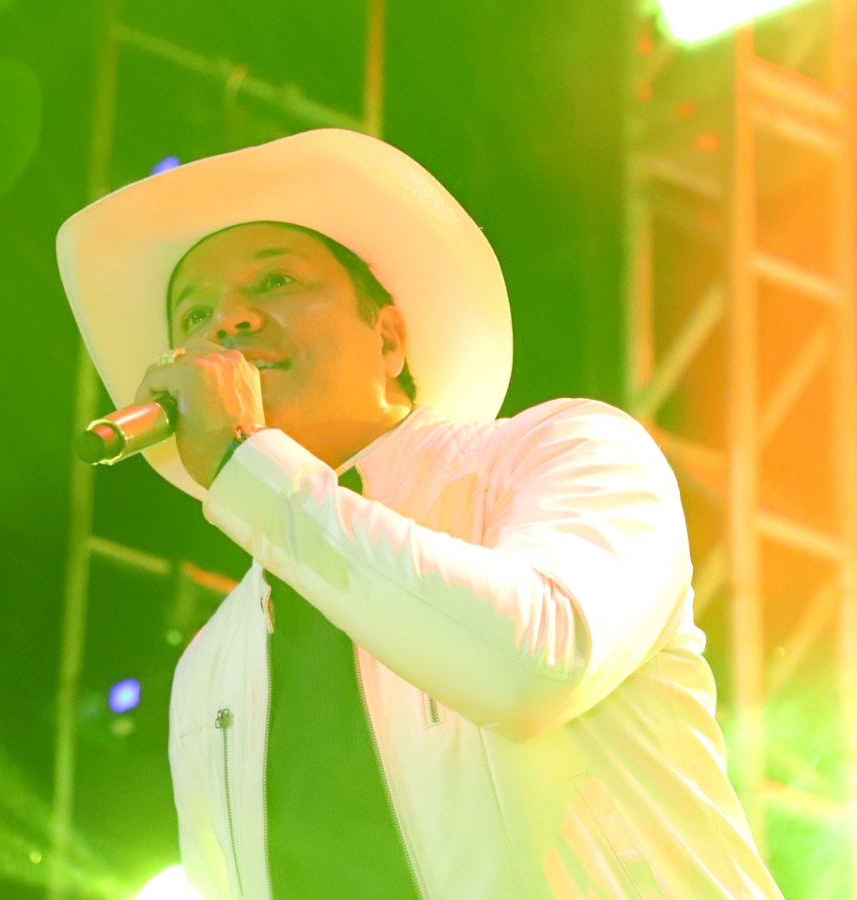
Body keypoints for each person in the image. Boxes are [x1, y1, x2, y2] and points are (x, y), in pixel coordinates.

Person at [56, 129, 782, 899]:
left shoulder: (560, 452)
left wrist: (247, 466)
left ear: (390, 338)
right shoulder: (213, 664)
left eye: (275, 281)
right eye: (195, 313)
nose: (227, 323)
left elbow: (533, 665)